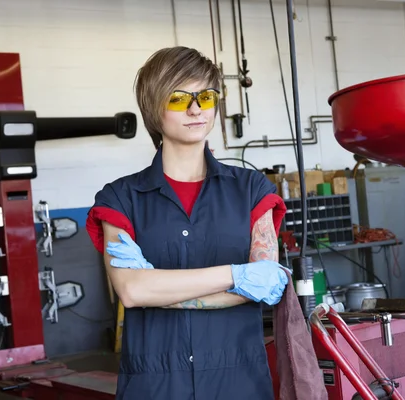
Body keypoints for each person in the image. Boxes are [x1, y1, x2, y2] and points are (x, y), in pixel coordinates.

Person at [86, 46, 289, 400]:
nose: (196, 109)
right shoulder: (120, 199)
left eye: (206, 97)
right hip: (155, 387)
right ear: (154, 107)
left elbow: (265, 281)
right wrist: (236, 275)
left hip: (239, 383)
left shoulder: (252, 190)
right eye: (179, 99)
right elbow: (132, 291)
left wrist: (156, 287)